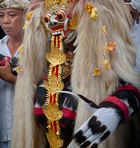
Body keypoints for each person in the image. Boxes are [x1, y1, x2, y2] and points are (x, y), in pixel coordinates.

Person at [12, 0, 140, 148]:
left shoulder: (101, 50)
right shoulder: (39, 56)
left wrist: (114, 110)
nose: (53, 21)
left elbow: (131, 87)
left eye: (61, 13)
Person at [0, 0, 29, 148]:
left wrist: (12, 78)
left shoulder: (37, 46)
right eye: (1, 16)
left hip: (30, 127)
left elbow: (47, 90)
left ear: (26, 16)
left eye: (12, 15)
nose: (5, 21)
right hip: (4, 126)